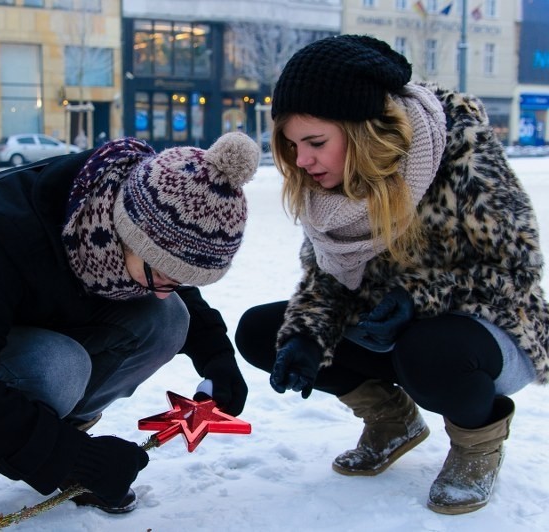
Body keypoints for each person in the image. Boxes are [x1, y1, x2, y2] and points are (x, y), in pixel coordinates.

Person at [235, 34, 549, 515]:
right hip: (389, 330)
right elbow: (327, 281)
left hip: (489, 333)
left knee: (428, 350)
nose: (301, 161)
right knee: (265, 331)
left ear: (363, 131)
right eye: (293, 145)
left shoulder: (462, 154)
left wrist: (417, 299)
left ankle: (477, 444)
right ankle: (391, 421)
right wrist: (305, 338)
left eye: (315, 143)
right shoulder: (330, 191)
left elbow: (515, 273)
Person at [0, 132, 260, 530]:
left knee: (168, 319)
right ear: (129, 234)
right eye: (168, 275)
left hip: (43, 331)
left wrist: (217, 357)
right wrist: (78, 457)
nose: (168, 289)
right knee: (58, 366)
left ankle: (59, 434)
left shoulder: (137, 205)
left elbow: (173, 283)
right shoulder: (0, 228)